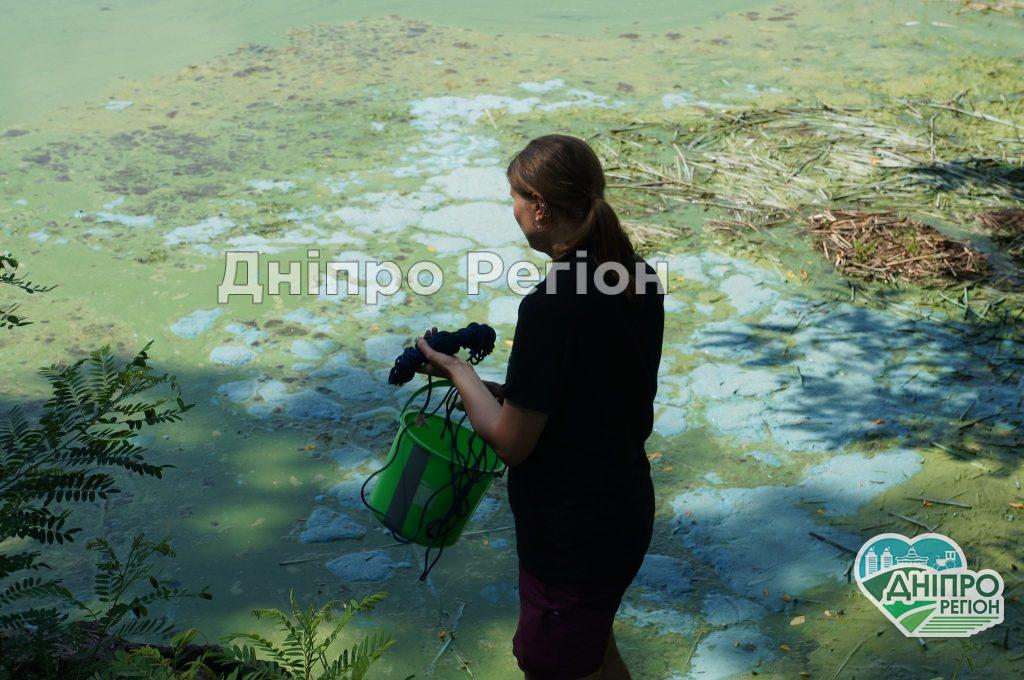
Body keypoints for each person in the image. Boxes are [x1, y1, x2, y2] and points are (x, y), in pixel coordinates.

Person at [415, 134, 664, 680]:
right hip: (623, 508)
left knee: (550, 661)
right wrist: (497, 391)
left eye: (515, 197)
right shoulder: (636, 277)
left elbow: (511, 442)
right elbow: (588, 394)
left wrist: (457, 371)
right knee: (591, 653)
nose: (514, 210)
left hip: (572, 533)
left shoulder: (552, 305)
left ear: (540, 205)